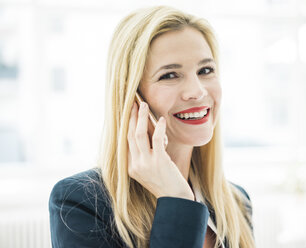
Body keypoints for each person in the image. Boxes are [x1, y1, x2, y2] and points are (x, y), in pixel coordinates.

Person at [49, 5, 255, 248]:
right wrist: (177, 201)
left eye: (205, 70)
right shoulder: (81, 203)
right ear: (134, 98)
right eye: (169, 75)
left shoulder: (236, 202)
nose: (198, 91)